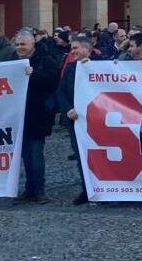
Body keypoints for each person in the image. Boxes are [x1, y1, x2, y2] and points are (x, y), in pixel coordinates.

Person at [13, 30, 59, 204]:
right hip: (18, 114)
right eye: (17, 44)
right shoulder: (12, 59)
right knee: (25, 154)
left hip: (38, 114)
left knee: (35, 153)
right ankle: (29, 188)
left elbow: (52, 81)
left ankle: (39, 189)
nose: (19, 48)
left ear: (32, 44)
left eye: (23, 44)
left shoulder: (46, 59)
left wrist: (34, 75)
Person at [58, 35, 93, 206]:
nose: (72, 52)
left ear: (87, 49)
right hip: (76, 120)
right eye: (71, 49)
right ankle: (86, 189)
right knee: (80, 156)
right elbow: (61, 92)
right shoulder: (71, 68)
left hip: (97, 121)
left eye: (75, 48)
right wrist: (67, 109)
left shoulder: (102, 66)